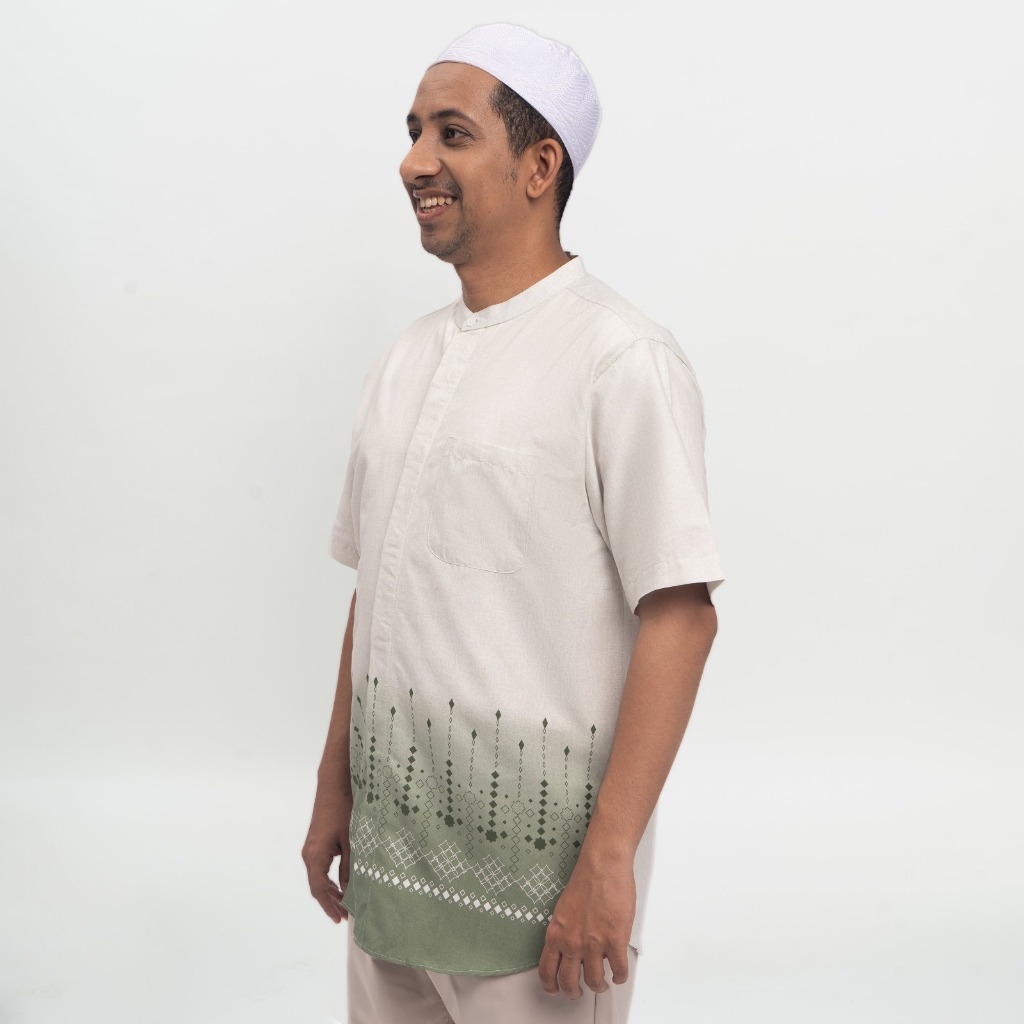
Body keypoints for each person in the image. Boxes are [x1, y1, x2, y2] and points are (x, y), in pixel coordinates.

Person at [302, 22, 725, 1024]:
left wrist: (608, 860)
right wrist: (334, 787)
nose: (415, 162)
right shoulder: (404, 361)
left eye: (451, 133)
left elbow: (681, 616)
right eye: (413, 131)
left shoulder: (620, 360)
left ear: (540, 167)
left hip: (541, 906)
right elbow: (379, 589)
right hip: (390, 879)